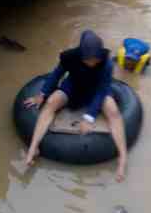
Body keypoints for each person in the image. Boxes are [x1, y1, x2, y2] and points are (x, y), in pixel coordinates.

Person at [23, 30, 128, 182]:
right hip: (73, 86)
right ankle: (34, 147)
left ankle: (122, 158)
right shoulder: (69, 57)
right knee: (51, 102)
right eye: (89, 59)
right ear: (81, 54)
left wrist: (89, 117)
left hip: (96, 89)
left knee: (113, 111)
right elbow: (56, 74)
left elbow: (102, 89)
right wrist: (42, 94)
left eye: (95, 59)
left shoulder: (106, 63)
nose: (93, 62)